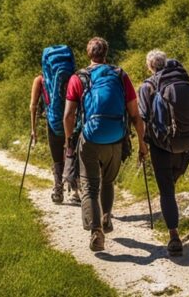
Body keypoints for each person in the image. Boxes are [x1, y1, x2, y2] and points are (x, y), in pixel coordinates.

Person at [64, 37, 147, 252]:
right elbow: (135, 115)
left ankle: (96, 231)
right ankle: (107, 216)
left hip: (90, 139)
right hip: (116, 138)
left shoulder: (78, 78)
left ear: (88, 54)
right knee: (108, 181)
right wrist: (142, 144)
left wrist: (69, 140)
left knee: (90, 188)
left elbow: (68, 115)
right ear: (106, 53)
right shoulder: (120, 75)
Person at [138, 49, 189, 257]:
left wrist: (143, 147)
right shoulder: (184, 81)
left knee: (166, 190)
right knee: (172, 182)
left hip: (162, 146)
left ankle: (174, 236)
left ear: (150, 66)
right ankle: (173, 213)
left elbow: (142, 118)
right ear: (165, 63)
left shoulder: (147, 86)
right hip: (188, 143)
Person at [30, 73, 66, 203]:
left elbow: (33, 106)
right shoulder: (69, 74)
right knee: (71, 152)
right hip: (71, 119)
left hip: (53, 122)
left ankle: (58, 189)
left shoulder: (40, 79)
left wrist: (33, 129)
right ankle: (76, 188)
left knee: (56, 156)